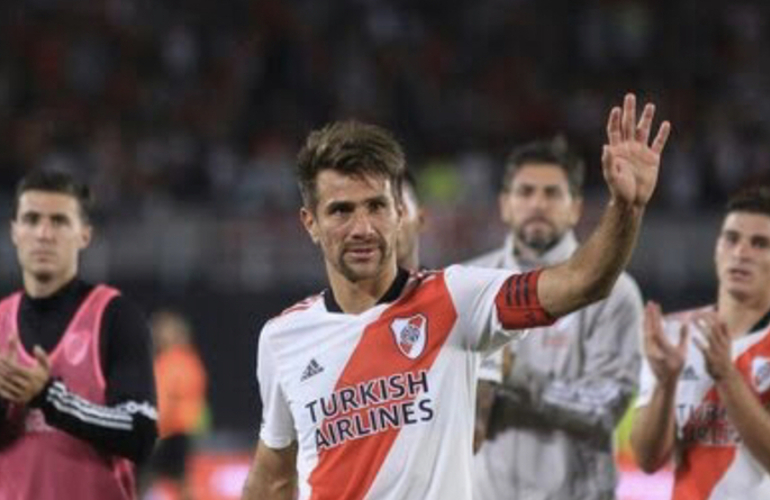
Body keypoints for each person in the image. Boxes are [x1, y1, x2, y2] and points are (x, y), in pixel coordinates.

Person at [242, 93, 671, 500]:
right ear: (310, 223)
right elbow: (274, 478)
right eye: (341, 210)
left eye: (376, 206)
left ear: (399, 214)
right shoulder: (283, 339)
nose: (362, 228)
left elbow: (582, 281)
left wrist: (626, 208)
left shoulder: (457, 299)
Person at [470, 137, 643, 500]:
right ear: (504, 205)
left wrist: (515, 374)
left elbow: (605, 406)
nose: (537, 203)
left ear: (576, 208)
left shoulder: (614, 292)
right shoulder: (470, 284)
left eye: (552, 193)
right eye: (526, 191)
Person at [0, 169, 157, 500]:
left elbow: (141, 434)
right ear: (14, 231)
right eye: (31, 219)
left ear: (84, 234)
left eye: (59, 221)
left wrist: (48, 396)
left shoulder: (116, 316)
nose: (43, 233)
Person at [630, 186, 770, 499]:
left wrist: (726, 375)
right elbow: (647, 459)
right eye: (731, 238)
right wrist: (666, 383)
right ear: (717, 247)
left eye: (760, 243)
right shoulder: (674, 335)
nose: (741, 252)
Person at [149, 309, 208, 500]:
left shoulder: (174, 362)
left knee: (145, 477)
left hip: (171, 432)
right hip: (180, 430)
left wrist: (155, 430)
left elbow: (166, 400)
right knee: (180, 481)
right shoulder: (188, 360)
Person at [395, 171, 425, 272]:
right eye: (377, 209)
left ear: (421, 219)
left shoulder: (454, 286)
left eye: (399, 210)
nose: (390, 221)